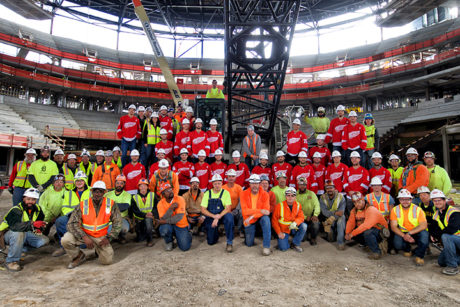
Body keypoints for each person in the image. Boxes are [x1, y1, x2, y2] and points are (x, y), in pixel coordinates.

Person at [61, 181, 121, 269]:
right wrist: (84, 236)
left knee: (107, 261)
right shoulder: (83, 204)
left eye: (100, 191)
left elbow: (118, 222)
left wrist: (109, 237)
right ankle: (78, 256)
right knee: (65, 240)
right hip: (84, 234)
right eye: (95, 191)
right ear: (91, 192)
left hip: (100, 237)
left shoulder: (110, 204)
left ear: (104, 193)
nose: (97, 194)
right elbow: (71, 223)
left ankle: (98, 251)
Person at [0, 188, 48, 271]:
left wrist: (39, 228)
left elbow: (40, 222)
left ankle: (19, 249)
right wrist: (32, 224)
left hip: (25, 233)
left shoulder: (37, 209)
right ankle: (11, 261)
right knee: (19, 233)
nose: (30, 201)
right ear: (24, 198)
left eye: (33, 199)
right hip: (6, 234)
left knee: (43, 240)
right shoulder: (16, 210)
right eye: (28, 199)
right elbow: (15, 227)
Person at [390, 189, 429, 266]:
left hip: (416, 232)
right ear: (399, 200)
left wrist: (409, 234)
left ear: (411, 199)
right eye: (402, 199)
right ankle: (408, 249)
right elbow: (393, 227)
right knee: (397, 245)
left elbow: (423, 225)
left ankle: (419, 256)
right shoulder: (395, 210)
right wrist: (404, 236)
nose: (405, 201)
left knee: (424, 236)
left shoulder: (418, 209)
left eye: (407, 199)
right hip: (403, 233)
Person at [345, 192, 389, 259]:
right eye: (355, 203)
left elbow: (366, 225)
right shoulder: (354, 210)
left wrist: (352, 234)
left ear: (363, 200)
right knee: (353, 231)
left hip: (379, 232)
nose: (357, 204)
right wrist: (347, 233)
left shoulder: (371, 209)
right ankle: (367, 244)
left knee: (367, 232)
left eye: (359, 202)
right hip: (367, 230)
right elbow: (351, 222)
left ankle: (377, 252)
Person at [52, 172, 86, 257]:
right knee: (60, 221)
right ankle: (65, 246)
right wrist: (71, 214)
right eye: (77, 181)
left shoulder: (91, 192)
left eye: (81, 180)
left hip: (87, 217)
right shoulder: (69, 193)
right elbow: (65, 207)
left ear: (85, 181)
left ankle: (81, 241)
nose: (79, 182)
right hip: (71, 216)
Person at [201, 174, 234, 252]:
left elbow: (228, 208)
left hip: (222, 215)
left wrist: (218, 216)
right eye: (215, 183)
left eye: (219, 183)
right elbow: (203, 210)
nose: (217, 185)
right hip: (211, 216)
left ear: (222, 183)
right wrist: (214, 216)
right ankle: (216, 231)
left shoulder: (225, 193)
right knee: (211, 242)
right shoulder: (207, 193)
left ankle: (229, 242)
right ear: (212, 184)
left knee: (229, 218)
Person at [430, 189, 460, 276]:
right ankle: (454, 259)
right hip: (452, 243)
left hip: (457, 239)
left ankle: (452, 267)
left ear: (444, 200)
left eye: (439, 200)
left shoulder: (454, 212)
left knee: (446, 236)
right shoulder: (436, 214)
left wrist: (437, 235)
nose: (437, 202)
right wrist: (433, 234)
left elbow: (451, 230)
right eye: (435, 201)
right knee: (441, 262)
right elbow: (432, 229)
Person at [240, 174, 271, 256]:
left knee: (266, 219)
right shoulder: (243, 194)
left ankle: (266, 246)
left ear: (259, 184)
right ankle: (249, 234)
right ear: (249, 184)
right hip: (249, 219)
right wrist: (260, 210)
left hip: (255, 217)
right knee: (249, 244)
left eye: (256, 183)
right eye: (252, 183)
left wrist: (253, 215)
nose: (254, 185)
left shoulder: (265, 194)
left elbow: (267, 211)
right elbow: (245, 211)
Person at [157, 183, 192, 251]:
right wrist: (171, 209)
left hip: (181, 225)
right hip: (169, 225)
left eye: (170, 189)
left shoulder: (180, 199)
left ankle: (188, 234)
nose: (170, 191)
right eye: (167, 190)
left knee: (184, 248)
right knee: (164, 229)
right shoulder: (160, 203)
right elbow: (163, 218)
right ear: (163, 194)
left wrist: (164, 221)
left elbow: (178, 217)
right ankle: (169, 242)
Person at [272, 187, 307, 252]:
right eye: (288, 195)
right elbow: (274, 221)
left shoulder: (298, 205)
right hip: (284, 230)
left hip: (294, 228)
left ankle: (295, 243)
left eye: (292, 195)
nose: (290, 197)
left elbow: (301, 217)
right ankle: (284, 241)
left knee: (304, 226)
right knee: (283, 248)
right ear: (285, 196)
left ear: (295, 197)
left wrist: (295, 223)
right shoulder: (279, 206)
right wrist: (279, 233)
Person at [104, 175, 132, 244]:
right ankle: (113, 238)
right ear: (115, 183)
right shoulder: (107, 195)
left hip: (122, 218)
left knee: (124, 229)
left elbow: (125, 207)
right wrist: (117, 205)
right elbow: (102, 206)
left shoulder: (127, 195)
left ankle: (120, 236)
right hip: (109, 219)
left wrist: (110, 206)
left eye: (121, 183)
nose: (119, 185)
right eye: (118, 183)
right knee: (107, 231)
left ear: (124, 184)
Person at [319, 180, 347, 250]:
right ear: (325, 189)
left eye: (331, 188)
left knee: (341, 220)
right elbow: (324, 212)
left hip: (337, 217)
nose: (329, 190)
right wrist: (334, 213)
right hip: (328, 218)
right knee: (330, 239)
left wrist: (332, 217)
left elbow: (341, 212)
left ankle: (341, 243)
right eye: (327, 188)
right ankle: (331, 232)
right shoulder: (322, 198)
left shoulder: (341, 197)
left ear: (334, 188)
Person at [129, 178, 157, 247]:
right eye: (141, 186)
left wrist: (152, 213)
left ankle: (150, 240)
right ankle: (144, 234)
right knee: (140, 239)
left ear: (148, 187)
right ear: (138, 187)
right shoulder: (134, 197)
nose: (143, 187)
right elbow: (134, 210)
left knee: (148, 222)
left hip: (150, 217)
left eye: (145, 185)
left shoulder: (152, 195)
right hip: (139, 218)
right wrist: (145, 215)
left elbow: (156, 207)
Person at [296, 177, 320, 245]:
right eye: (300, 184)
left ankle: (313, 238)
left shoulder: (312, 193)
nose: (302, 186)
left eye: (304, 184)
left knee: (316, 223)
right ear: (298, 185)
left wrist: (315, 215)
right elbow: (296, 209)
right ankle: (306, 232)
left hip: (311, 216)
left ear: (306, 185)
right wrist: (305, 217)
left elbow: (317, 205)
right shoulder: (295, 195)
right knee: (303, 239)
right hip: (300, 217)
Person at [223, 169, 244, 238]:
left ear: (235, 178)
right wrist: (226, 210)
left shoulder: (239, 187)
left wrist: (237, 209)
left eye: (233, 176)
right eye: (229, 176)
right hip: (226, 210)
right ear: (227, 177)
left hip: (236, 209)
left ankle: (240, 230)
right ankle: (227, 229)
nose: (231, 178)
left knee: (241, 212)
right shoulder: (223, 188)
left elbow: (241, 200)